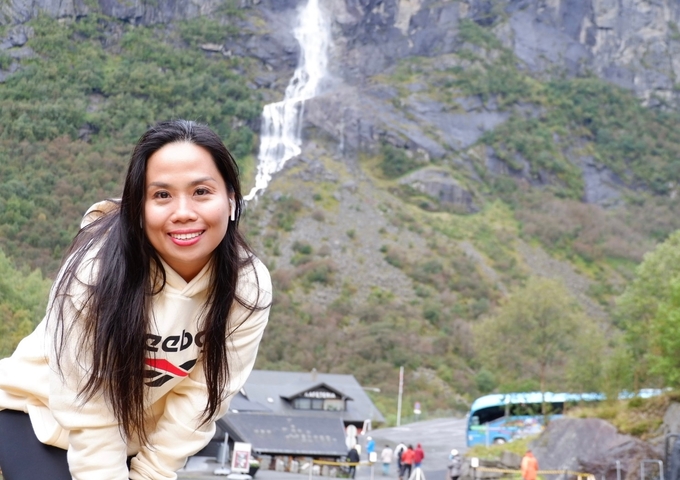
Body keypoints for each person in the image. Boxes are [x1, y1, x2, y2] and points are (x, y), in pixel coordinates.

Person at [0, 120, 272, 480]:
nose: (183, 212)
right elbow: (87, 404)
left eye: (202, 192)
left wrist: (151, 473)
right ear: (137, 209)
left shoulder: (247, 287)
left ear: (232, 201)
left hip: (132, 440)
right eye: (162, 195)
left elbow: (200, 397)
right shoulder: (94, 274)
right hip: (36, 412)